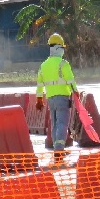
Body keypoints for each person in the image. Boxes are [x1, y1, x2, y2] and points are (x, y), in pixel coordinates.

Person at [35, 33, 78, 161]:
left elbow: (39, 85)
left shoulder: (44, 65)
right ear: (59, 48)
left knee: (54, 124)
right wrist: (76, 92)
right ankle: (59, 150)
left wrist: (39, 99)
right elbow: (70, 80)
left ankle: (56, 148)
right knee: (62, 123)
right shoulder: (63, 63)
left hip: (51, 99)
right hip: (62, 98)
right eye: (63, 48)